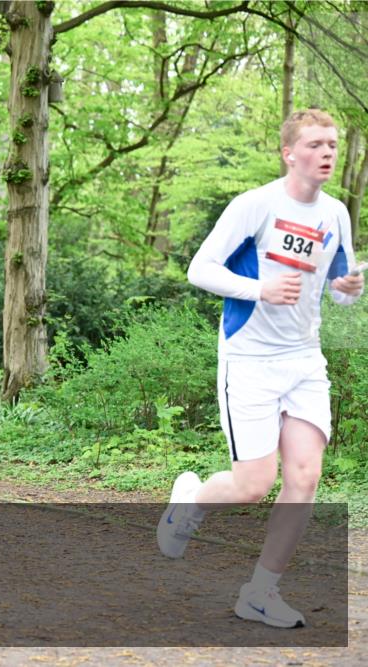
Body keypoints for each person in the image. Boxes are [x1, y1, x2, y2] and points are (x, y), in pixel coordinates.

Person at [157, 109, 363, 628]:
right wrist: (260, 289)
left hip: (303, 362)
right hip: (248, 359)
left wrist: (349, 289)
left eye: (332, 144)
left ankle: (259, 592)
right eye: (316, 144)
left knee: (305, 477)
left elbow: (339, 284)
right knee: (253, 484)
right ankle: (189, 506)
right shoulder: (254, 206)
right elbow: (199, 269)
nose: (328, 153)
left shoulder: (336, 214)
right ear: (289, 153)